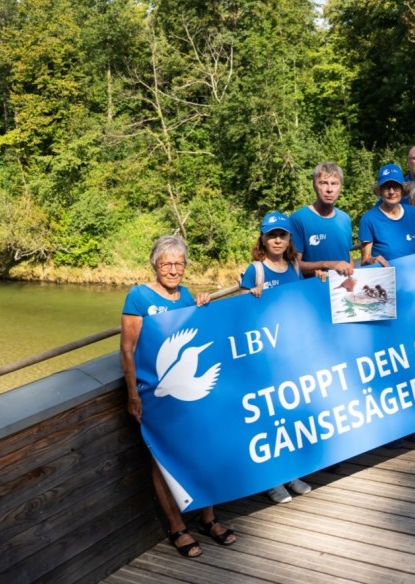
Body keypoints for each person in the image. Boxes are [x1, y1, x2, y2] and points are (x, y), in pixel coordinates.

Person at [120, 236, 235, 558]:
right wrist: (132, 395)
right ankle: (177, 527)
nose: (173, 269)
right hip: (155, 394)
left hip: (188, 395)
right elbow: (127, 349)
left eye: (179, 263)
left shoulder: (185, 295)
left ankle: (208, 518)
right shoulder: (138, 297)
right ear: (155, 265)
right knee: (163, 459)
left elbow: (199, 332)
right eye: (166, 263)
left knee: (202, 452)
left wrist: (203, 306)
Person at [239, 212, 313, 504]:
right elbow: (238, 315)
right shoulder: (255, 270)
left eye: (282, 235)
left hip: (292, 352)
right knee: (271, 417)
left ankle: (292, 472)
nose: (278, 240)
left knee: (291, 414)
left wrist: (318, 277)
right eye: (272, 235)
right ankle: (272, 479)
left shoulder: (294, 265)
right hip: (265, 357)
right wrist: (250, 295)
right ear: (263, 239)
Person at [291, 162, 355, 278]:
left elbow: (347, 255)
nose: (329, 189)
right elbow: (294, 266)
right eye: (324, 183)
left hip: (342, 291)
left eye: (334, 184)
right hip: (313, 291)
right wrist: (326, 264)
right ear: (314, 185)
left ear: (340, 187)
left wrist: (351, 269)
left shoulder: (345, 219)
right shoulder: (299, 219)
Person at [359, 163, 415, 266]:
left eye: (396, 187)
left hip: (411, 276)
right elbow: (364, 260)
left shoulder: (413, 213)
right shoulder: (368, 219)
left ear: (403, 190)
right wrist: (372, 260)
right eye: (386, 187)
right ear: (379, 191)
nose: (391, 192)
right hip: (386, 278)